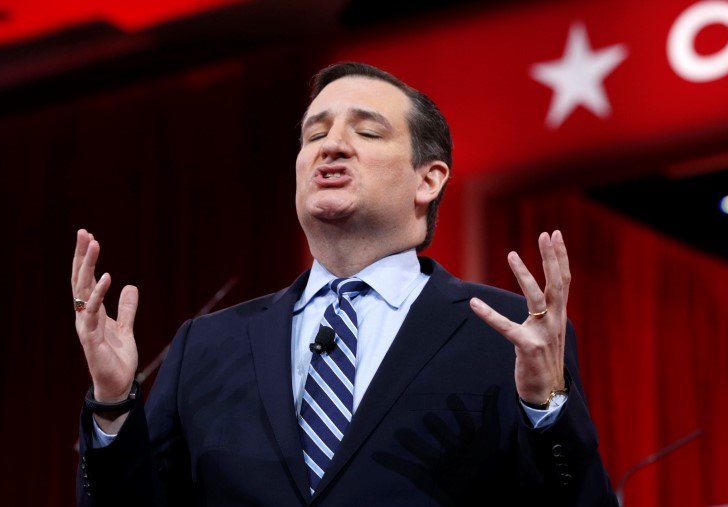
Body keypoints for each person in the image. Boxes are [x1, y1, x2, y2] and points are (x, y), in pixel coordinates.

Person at [72, 62, 618, 506]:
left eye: (366, 130)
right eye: (315, 133)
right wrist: (113, 404)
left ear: (428, 179)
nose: (331, 145)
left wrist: (547, 406)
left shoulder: (505, 334)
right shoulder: (207, 346)